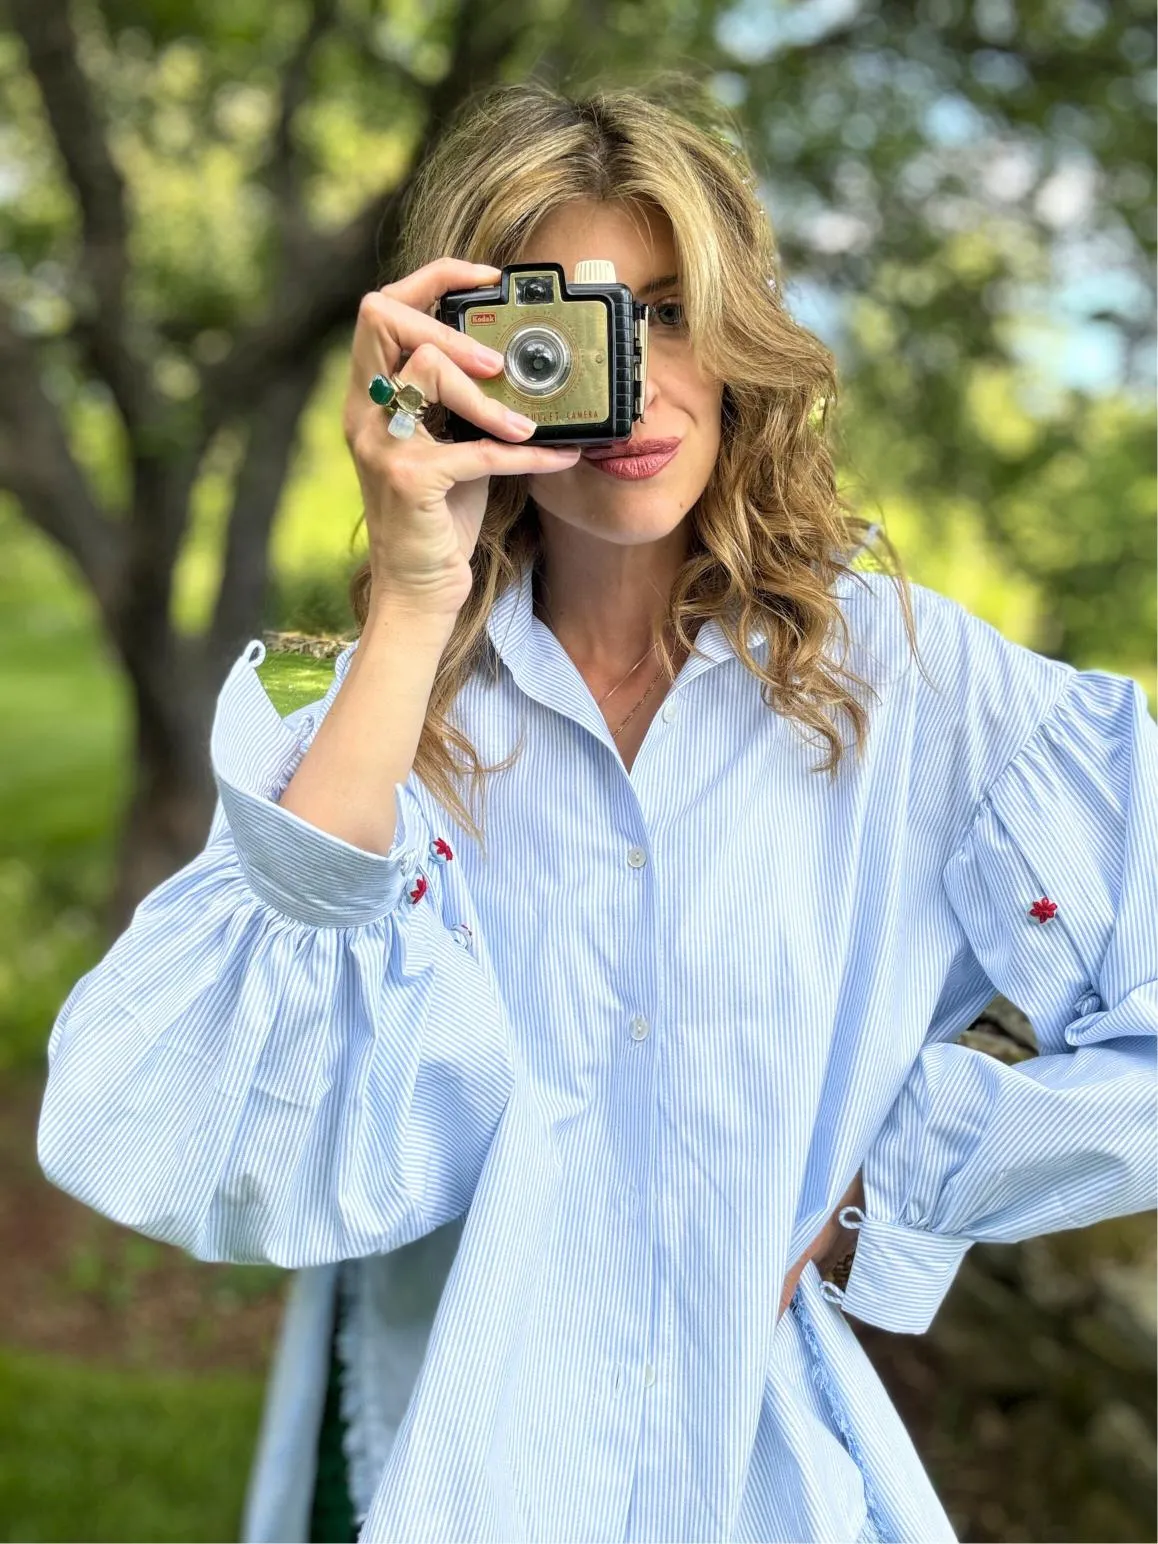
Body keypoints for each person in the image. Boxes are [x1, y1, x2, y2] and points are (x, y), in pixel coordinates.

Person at [36, 76, 1156, 1544]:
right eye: (559, 326)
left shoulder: (914, 689)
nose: (627, 375)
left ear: (744, 333)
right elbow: (175, 1125)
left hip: (746, 1475)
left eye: (672, 310)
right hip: (431, 1469)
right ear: (458, 355)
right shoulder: (378, 717)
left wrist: (895, 1194)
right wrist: (416, 596)